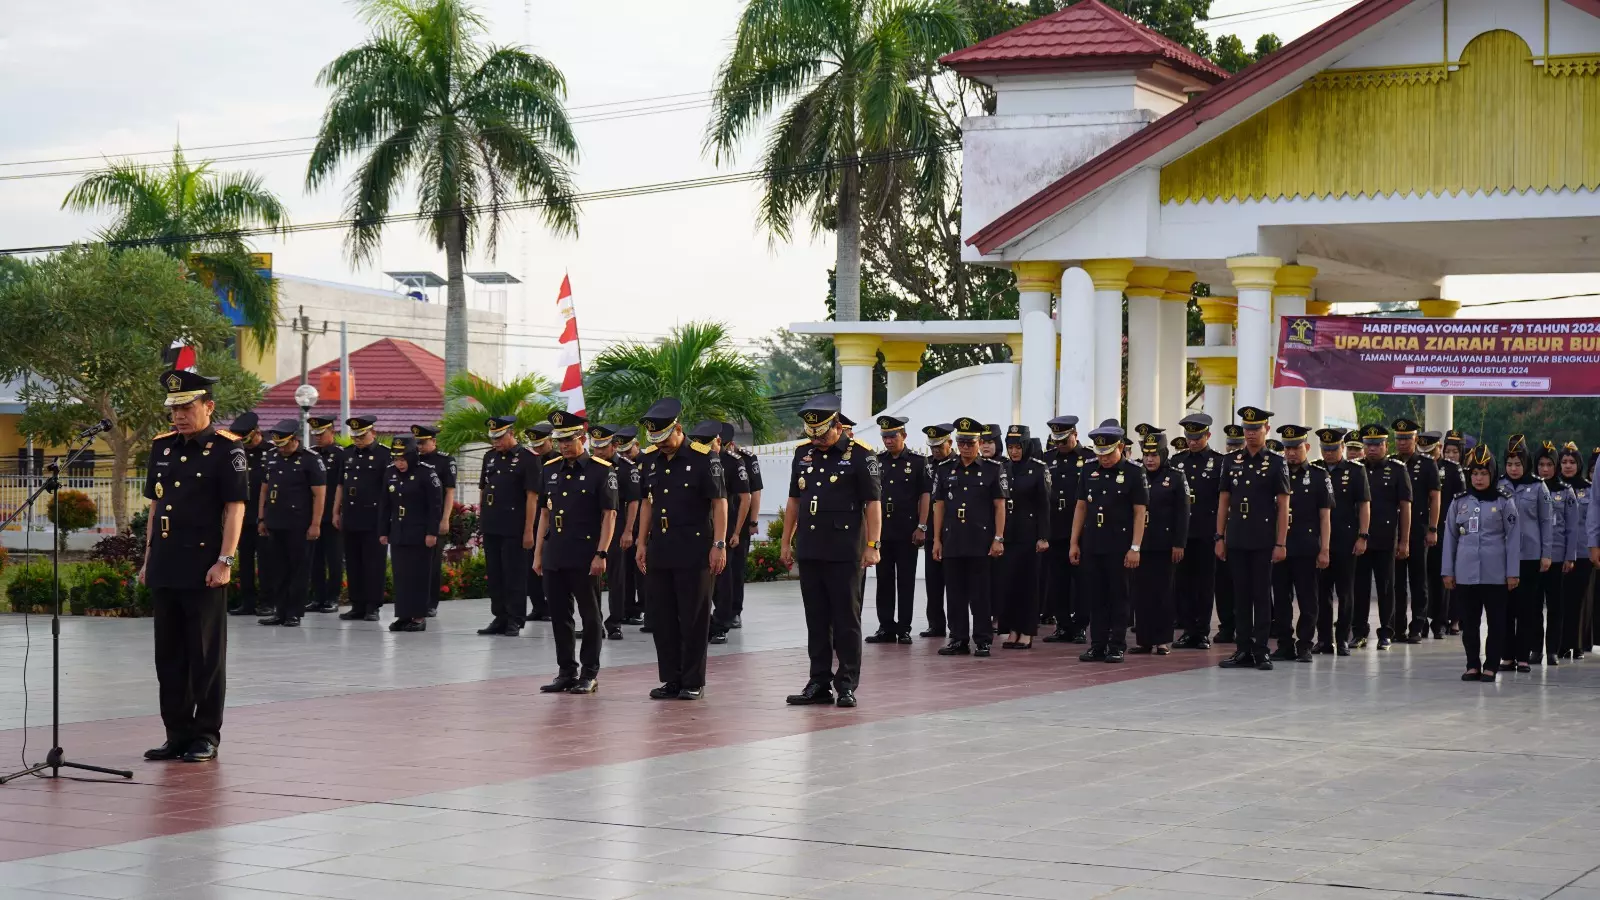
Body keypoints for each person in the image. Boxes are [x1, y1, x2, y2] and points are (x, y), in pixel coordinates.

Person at [139, 368, 249, 764]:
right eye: (174, 408)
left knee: (205, 655)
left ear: (209, 406)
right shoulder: (162, 447)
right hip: (167, 562)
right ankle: (177, 733)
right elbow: (155, 507)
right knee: (168, 656)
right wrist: (148, 558)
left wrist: (225, 560)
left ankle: (205, 735)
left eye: (187, 407)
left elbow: (235, 510)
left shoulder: (227, 449)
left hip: (204, 564)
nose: (179, 416)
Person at [780, 397, 881, 706]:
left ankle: (847, 683)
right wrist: (786, 542)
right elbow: (794, 502)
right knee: (817, 619)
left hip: (844, 550)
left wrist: (872, 545)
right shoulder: (803, 454)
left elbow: (873, 504)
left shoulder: (861, 455)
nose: (816, 439)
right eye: (812, 433)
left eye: (822, 433)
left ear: (838, 427)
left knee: (846, 619)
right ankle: (818, 682)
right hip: (811, 549)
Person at [635, 399, 728, 700]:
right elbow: (647, 503)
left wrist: (720, 544)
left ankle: (692, 680)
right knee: (662, 618)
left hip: (695, 549)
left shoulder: (704, 458)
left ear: (678, 429)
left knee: (694, 617)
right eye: (655, 440)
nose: (660, 445)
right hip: (660, 547)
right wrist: (641, 542)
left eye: (664, 438)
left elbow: (720, 503)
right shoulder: (651, 458)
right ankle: (671, 678)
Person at [534, 411, 619, 693]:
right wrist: (538, 555)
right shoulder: (550, 469)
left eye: (569, 440)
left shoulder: (600, 470)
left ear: (582, 438)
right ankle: (566, 671)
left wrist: (602, 553)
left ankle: (589, 673)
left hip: (585, 555)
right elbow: (544, 516)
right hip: (555, 553)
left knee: (590, 616)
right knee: (560, 615)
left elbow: (609, 516)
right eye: (559, 441)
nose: (563, 446)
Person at [1216, 406, 1291, 671]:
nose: (1250, 434)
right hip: (1236, 537)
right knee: (1241, 595)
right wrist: (1219, 536)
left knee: (1260, 595)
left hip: (1263, 539)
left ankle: (1261, 650)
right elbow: (1224, 501)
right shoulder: (1231, 461)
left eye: (1255, 429)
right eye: (1247, 429)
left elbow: (1283, 506)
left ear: (1266, 430)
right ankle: (1243, 649)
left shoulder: (1277, 462)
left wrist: (1281, 542)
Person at [1069, 420, 1145, 662]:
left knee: (1119, 596)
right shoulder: (1088, 470)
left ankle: (1117, 643)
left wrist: (1135, 547)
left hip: (1120, 544)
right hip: (1093, 542)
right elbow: (1081, 507)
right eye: (1100, 452)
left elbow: (1139, 512)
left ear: (1120, 447)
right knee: (1096, 595)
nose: (1104, 457)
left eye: (1109, 452)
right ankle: (1098, 643)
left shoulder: (1133, 472)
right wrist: (1074, 542)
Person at [932, 417, 1007, 657]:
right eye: (961, 442)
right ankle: (958, 638)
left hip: (980, 541)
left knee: (980, 594)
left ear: (979, 443)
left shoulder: (993, 469)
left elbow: (999, 506)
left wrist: (999, 538)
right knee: (954, 594)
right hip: (953, 540)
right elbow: (940, 506)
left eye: (970, 443)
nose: (965, 447)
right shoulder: (945, 469)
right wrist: (936, 539)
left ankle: (983, 639)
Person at [1442, 446, 1518, 682]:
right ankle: (1472, 664)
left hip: (1496, 574)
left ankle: (1491, 665)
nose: (1479, 478)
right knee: (1470, 623)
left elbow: (1514, 539)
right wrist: (1448, 570)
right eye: (1475, 473)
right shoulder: (1460, 502)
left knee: (1496, 623)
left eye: (1484, 473)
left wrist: (1513, 572)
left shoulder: (1505, 502)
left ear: (1492, 474)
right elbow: (1450, 538)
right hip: (1466, 573)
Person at [1270, 425, 1330, 663]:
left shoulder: (1318, 475)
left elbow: (1325, 516)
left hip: (1306, 546)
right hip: (1279, 546)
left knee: (1308, 598)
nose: (1291, 453)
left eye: (1296, 447)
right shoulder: (1275, 473)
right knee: (1281, 599)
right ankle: (1285, 644)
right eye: (1287, 448)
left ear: (1306, 447)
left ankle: (1305, 644)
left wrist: (1324, 549)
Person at [257, 420, 327, 627]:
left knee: (299, 569)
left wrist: (315, 524)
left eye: (284, 444)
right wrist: (262, 518)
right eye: (278, 444)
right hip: (275, 522)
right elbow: (264, 489)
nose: (281, 448)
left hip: (299, 524)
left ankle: (294, 612)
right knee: (278, 569)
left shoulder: (310, 460)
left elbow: (319, 495)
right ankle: (279, 611)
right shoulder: (270, 457)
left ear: (295, 440)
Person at [867, 415, 929, 645]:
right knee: (883, 580)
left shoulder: (918, 462)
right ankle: (886, 627)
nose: (888, 441)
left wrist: (922, 526)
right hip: (883, 530)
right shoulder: (877, 461)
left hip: (907, 529)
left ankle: (904, 628)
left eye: (893, 436)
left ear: (904, 435)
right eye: (885, 436)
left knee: (905, 581)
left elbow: (925, 495)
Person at [477, 416, 538, 637]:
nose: (496, 441)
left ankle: (515, 618)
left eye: (500, 437)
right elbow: (483, 489)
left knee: (514, 574)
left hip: (515, 526)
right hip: (492, 524)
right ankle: (500, 616)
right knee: (495, 574)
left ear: (511, 433)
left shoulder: (528, 459)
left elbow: (532, 497)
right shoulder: (489, 457)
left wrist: (529, 530)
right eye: (493, 437)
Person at [1352, 423, 1411, 650]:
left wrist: (1404, 540)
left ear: (1386, 445)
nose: (1373, 449)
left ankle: (1386, 631)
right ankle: (1359, 632)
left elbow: (1405, 508)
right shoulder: (1356, 468)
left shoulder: (1397, 469)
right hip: (1359, 538)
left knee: (1387, 587)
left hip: (1386, 537)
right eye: (1369, 444)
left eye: (1377, 444)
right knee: (1360, 587)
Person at [1500, 435, 1555, 673]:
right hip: (1502, 557)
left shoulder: (1538, 486)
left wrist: (1547, 553)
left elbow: (1546, 522)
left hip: (1530, 556)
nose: (1513, 469)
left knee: (1527, 609)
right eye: (1510, 463)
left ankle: (1523, 656)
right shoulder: (1497, 485)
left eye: (1518, 464)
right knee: (1504, 609)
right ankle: (1507, 656)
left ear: (1526, 463)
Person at [1131, 429, 1188, 655]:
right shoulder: (1136, 475)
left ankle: (1162, 640)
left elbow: (1183, 513)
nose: (1149, 459)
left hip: (1165, 545)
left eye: (1154, 455)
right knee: (1141, 593)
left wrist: (1179, 543)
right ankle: (1144, 640)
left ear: (1163, 454)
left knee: (1163, 592)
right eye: (1146, 454)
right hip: (1140, 544)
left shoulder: (1175, 476)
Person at [1314, 428, 1369, 656]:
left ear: (1342, 448)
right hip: (1318, 540)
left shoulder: (1355, 471)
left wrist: (1363, 535)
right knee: (1321, 592)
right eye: (1325, 449)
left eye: (1333, 449)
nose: (1328, 454)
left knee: (1345, 592)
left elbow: (1364, 505)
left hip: (1346, 539)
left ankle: (1343, 638)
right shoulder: (1315, 470)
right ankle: (1324, 639)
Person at [1172, 413, 1224, 650]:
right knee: (1182, 584)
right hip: (1182, 534)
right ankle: (1187, 630)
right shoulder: (1176, 461)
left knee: (1204, 584)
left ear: (1208, 435)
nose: (1192, 442)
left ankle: (1202, 631)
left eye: (1197, 437)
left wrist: (1220, 534)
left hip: (1206, 532)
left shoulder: (1218, 462)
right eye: (1189, 437)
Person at [382, 435, 442, 633]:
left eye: (402, 459)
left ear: (412, 456)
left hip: (420, 533)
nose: (399, 463)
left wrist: (432, 532)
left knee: (418, 575)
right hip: (399, 531)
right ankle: (403, 614)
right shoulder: (390, 473)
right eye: (396, 459)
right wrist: (383, 531)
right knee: (401, 575)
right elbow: (385, 505)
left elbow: (435, 506)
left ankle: (418, 616)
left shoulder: (426, 473)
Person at [999, 427, 1051, 649]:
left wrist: (1043, 536)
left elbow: (1044, 506)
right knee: (1008, 584)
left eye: (1018, 447)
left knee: (1028, 585)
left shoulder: (1038, 469)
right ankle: (1012, 630)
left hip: (1029, 535)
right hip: (1008, 534)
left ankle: (1027, 632)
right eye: (1010, 447)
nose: (1014, 452)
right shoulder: (1004, 468)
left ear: (1026, 446)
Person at [333, 416, 390, 622]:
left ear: (372, 433)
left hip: (373, 518)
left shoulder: (384, 455)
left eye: (362, 435)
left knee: (373, 564)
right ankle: (357, 605)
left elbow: (388, 490)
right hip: (351, 516)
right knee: (354, 563)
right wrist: (335, 512)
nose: (357, 439)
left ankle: (372, 606)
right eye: (355, 436)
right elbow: (340, 485)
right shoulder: (347, 455)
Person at [1042, 416, 1094, 644]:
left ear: (1075, 434)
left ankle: (1081, 625)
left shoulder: (1090, 458)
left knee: (1082, 581)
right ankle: (1063, 625)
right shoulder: (1047, 459)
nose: (1060, 445)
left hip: (1082, 530)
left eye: (1064, 440)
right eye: (1057, 441)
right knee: (1057, 581)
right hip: (1055, 527)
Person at [1390, 419, 1441, 643]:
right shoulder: (1390, 462)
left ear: (1415, 439)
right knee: (1396, 582)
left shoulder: (1427, 464)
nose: (1402, 442)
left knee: (1419, 580)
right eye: (1399, 438)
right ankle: (1397, 626)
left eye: (1407, 438)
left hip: (1419, 530)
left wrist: (1433, 528)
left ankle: (1418, 625)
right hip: (1394, 531)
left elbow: (1435, 498)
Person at [591, 424, 640, 641]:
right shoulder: (589, 467)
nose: (599, 452)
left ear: (615, 445)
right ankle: (593, 622)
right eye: (596, 447)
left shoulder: (627, 468)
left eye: (603, 447)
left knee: (616, 577)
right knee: (591, 578)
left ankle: (615, 622)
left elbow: (634, 502)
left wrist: (629, 531)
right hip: (591, 528)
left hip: (617, 526)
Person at [710, 422, 751, 645]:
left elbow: (746, 498)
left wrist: (737, 531)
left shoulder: (734, 461)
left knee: (726, 577)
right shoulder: (699, 460)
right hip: (706, 527)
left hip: (729, 526)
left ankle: (724, 621)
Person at [1534, 441, 1573, 666]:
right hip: (1534, 557)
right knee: (1534, 607)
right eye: (1541, 464)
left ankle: (1553, 651)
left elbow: (1572, 527)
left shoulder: (1564, 492)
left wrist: (1570, 556)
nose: (1545, 469)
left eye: (1549, 464)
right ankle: (1535, 649)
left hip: (1557, 557)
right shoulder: (1532, 488)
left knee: (1556, 606)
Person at [1423, 430, 1465, 637]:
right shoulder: (1417, 466)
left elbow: (1461, 499)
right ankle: (1421, 619)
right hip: (1421, 528)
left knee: (1443, 575)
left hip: (1445, 527)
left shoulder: (1452, 470)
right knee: (1422, 576)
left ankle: (1441, 620)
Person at [412, 424, 456, 618]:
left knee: (432, 563)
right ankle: (414, 601)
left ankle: (430, 602)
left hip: (434, 519)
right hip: (414, 519)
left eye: (423, 442)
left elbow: (449, 492)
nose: (420, 446)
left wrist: (445, 518)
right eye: (417, 443)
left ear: (434, 441)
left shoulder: (444, 461)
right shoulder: (412, 461)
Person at [228, 412, 267, 617]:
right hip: (242, 516)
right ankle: (247, 602)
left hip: (265, 518)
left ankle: (268, 602)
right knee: (245, 563)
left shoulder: (271, 452)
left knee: (266, 562)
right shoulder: (237, 452)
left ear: (257, 433)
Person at [920, 423, 956, 638]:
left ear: (949, 443)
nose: (935, 450)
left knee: (952, 583)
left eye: (939, 446)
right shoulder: (928, 465)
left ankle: (955, 626)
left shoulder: (957, 464)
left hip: (952, 530)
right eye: (932, 446)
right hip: (932, 529)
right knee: (933, 582)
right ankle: (935, 623)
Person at [306, 417, 344, 614]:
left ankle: (333, 597)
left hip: (331, 515)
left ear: (332, 432)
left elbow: (342, 486)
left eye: (321, 434)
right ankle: (318, 597)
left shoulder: (340, 455)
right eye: (315, 434)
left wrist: (338, 512)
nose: (318, 437)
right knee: (315, 560)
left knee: (334, 559)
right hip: (313, 517)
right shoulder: (310, 455)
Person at [1558, 443, 1592, 660]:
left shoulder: (1589, 488)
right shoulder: (1553, 488)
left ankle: (1577, 643)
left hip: (1583, 551)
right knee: (1561, 599)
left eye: (1572, 462)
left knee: (1579, 600)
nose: (1568, 466)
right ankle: (1561, 643)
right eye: (1564, 462)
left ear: (1579, 464)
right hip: (1559, 552)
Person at [1215, 422, 1246, 643]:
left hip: (1244, 532)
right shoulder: (1222, 465)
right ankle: (1227, 626)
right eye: (1230, 444)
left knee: (1244, 586)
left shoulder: (1252, 465)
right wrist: (1219, 535)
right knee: (1223, 585)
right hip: (1224, 532)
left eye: (1237, 444)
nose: (1233, 448)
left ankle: (1246, 628)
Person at [615, 425, 648, 629]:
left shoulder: (649, 461)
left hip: (642, 525)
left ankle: (644, 608)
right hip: (624, 523)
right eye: (622, 452)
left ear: (637, 445)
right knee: (624, 570)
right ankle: (627, 609)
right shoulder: (619, 466)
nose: (625, 454)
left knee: (642, 570)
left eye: (628, 450)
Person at [731, 430, 764, 630]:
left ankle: (735, 611)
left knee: (736, 569)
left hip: (740, 522)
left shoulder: (746, 458)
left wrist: (753, 521)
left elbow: (755, 491)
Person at [525, 422, 557, 622]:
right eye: (534, 445)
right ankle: (538, 606)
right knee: (532, 566)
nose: (537, 448)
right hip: (534, 519)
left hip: (553, 520)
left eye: (541, 444)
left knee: (550, 566)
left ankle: (553, 605)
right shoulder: (531, 461)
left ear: (550, 441)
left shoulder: (557, 461)